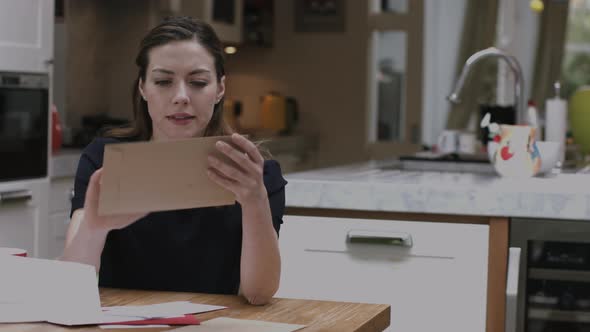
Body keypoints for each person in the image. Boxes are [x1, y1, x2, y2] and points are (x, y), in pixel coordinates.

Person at [60, 16, 286, 305]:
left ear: (219, 89)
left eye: (198, 82)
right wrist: (94, 228)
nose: (181, 96)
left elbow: (258, 293)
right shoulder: (105, 159)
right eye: (164, 81)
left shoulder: (257, 174)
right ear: (143, 88)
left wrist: (255, 202)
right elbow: (72, 285)